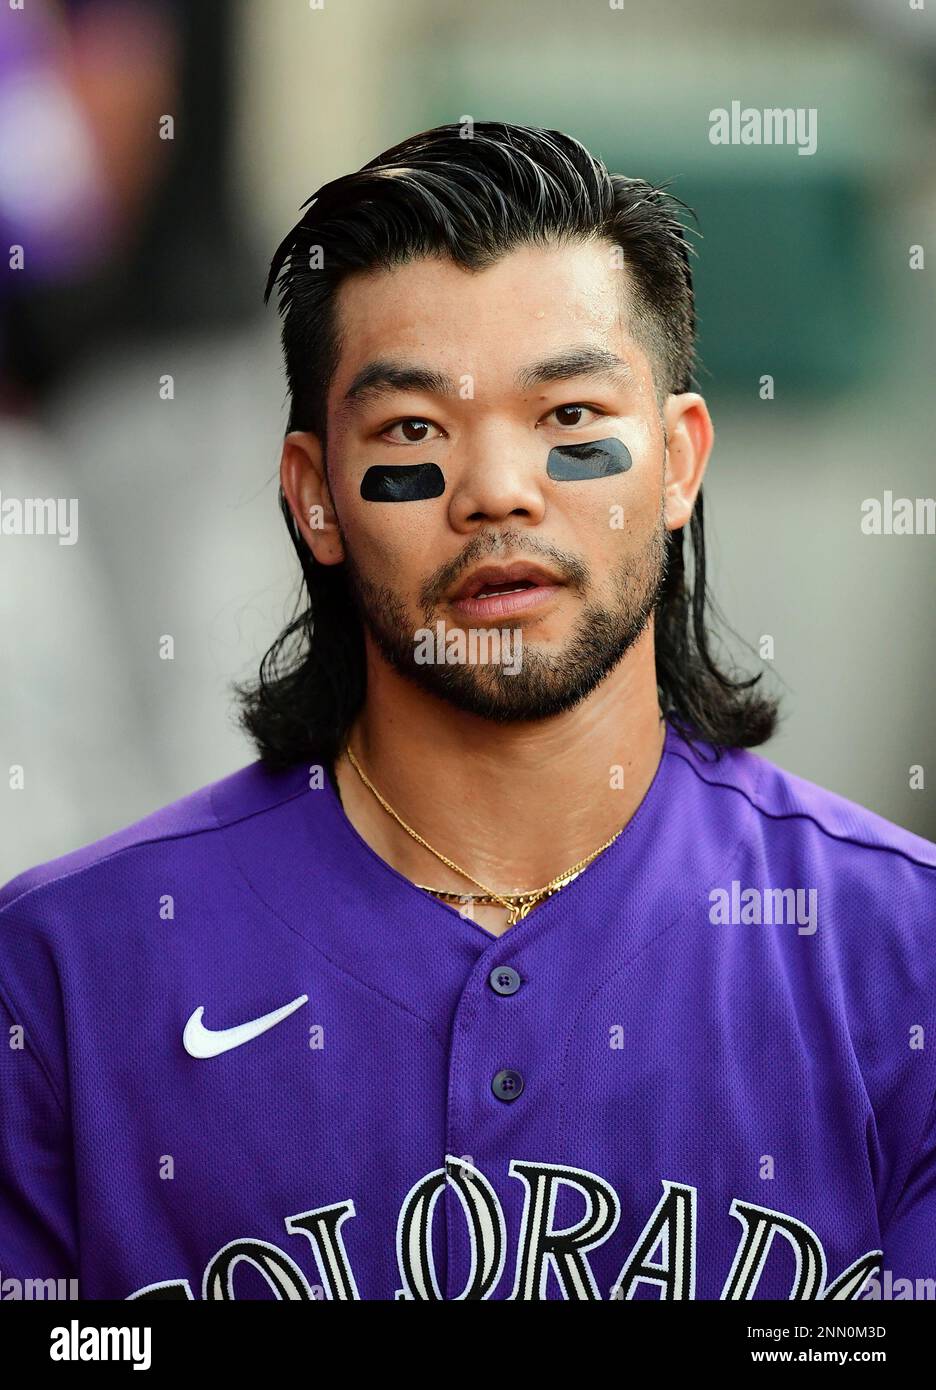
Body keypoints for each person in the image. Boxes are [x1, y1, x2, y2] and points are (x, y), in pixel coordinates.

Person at [1, 123, 933, 1301]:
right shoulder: (61, 980)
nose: (498, 489)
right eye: (414, 431)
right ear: (316, 497)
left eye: (571, 418)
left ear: (683, 461)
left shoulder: (904, 967)